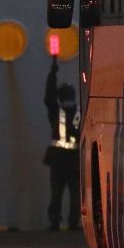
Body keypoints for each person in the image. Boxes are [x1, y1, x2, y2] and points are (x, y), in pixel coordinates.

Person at [43, 56, 81, 231]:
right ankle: (73, 222)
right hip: (75, 158)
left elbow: (48, 97)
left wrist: (52, 73)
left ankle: (55, 222)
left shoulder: (56, 111)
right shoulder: (79, 112)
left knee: (56, 191)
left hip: (58, 158)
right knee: (75, 192)